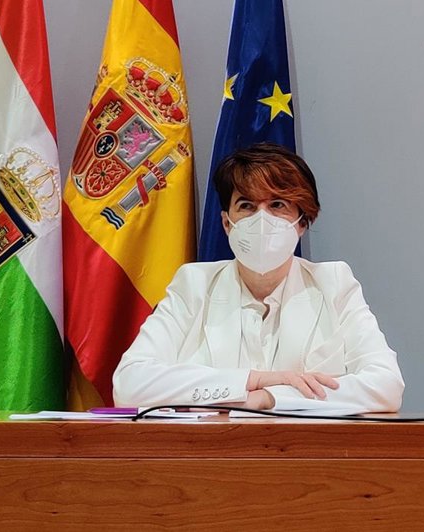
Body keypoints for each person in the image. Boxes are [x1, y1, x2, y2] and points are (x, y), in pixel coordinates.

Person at [113, 143, 404, 412]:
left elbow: (386, 386)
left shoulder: (334, 283)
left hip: (308, 450)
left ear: (302, 222)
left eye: (277, 205)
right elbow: (129, 385)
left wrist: (269, 398)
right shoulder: (194, 285)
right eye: (247, 206)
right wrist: (252, 380)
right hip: (210, 449)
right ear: (227, 223)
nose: (261, 219)